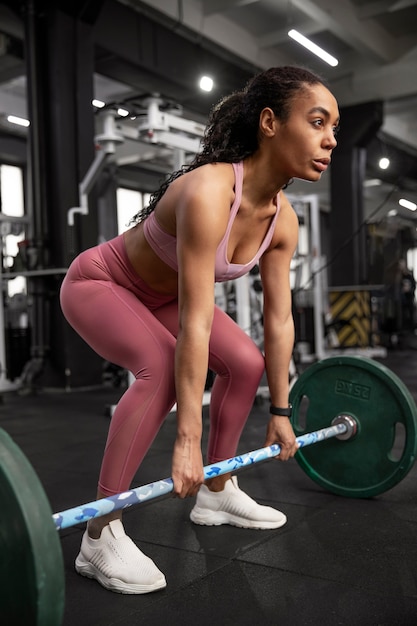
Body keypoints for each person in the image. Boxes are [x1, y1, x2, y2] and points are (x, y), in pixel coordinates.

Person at [60, 65, 339, 594]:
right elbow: (196, 318)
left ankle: (217, 488)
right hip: (100, 283)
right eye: (318, 121)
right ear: (269, 122)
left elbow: (279, 319)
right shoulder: (210, 191)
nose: (330, 140)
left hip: (161, 296)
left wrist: (280, 412)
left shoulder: (284, 220)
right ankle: (99, 534)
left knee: (246, 363)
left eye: (335, 128)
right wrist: (186, 437)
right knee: (160, 367)